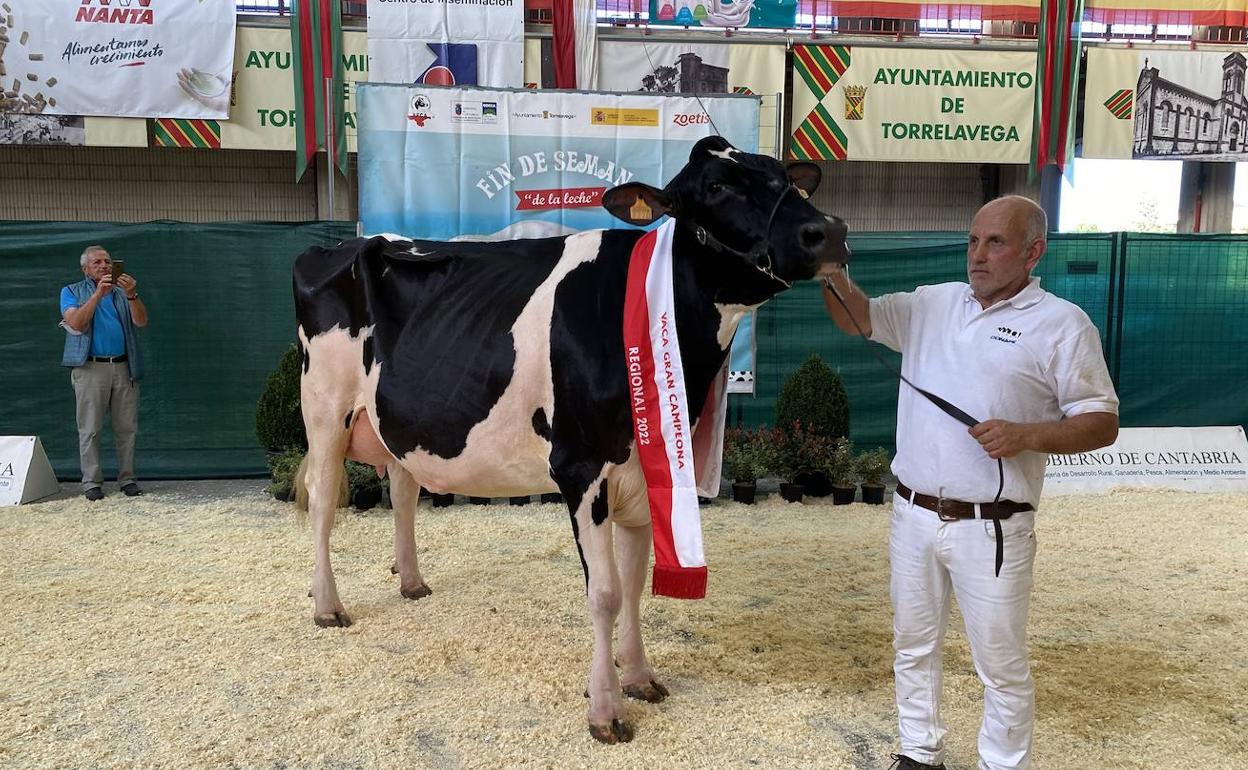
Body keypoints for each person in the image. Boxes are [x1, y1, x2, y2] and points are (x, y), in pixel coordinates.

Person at [822, 196, 1119, 770]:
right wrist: (831, 268)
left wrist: (1026, 434)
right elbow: (856, 316)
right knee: (913, 645)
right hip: (912, 513)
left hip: (993, 526)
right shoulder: (930, 304)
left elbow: (1102, 423)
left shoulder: (1061, 324)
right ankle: (918, 750)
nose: (977, 255)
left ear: (1034, 251)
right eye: (973, 241)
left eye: (996, 243)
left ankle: (1001, 763)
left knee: (1000, 662)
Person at [60, 245, 149, 501]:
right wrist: (98, 294)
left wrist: (132, 295)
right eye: (97, 262)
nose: (104, 266)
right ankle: (91, 482)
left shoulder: (123, 292)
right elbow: (76, 322)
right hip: (89, 368)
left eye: (108, 262)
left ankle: (128, 479)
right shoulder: (71, 291)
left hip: (124, 366)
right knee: (89, 429)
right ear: (85, 268)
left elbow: (141, 321)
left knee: (127, 428)